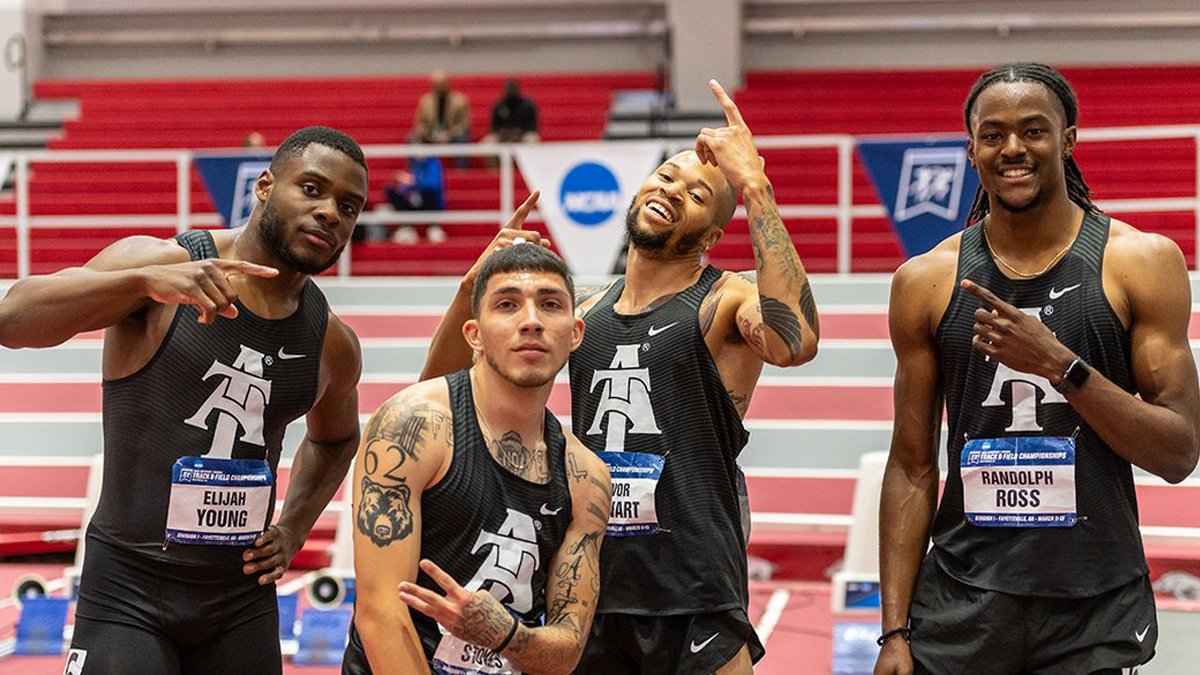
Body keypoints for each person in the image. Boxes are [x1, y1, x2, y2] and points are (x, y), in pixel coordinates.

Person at [421, 80, 821, 674]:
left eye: (697, 194)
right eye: (665, 177)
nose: (672, 191)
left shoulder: (725, 299)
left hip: (696, 593)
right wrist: (469, 293)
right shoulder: (581, 311)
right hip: (589, 593)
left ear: (711, 235)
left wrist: (755, 186)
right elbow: (440, 395)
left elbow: (796, 343)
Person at [0, 126, 369, 674]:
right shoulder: (159, 263)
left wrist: (293, 528)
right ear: (265, 185)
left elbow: (337, 439)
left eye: (348, 205)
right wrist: (144, 283)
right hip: (127, 593)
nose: (329, 213)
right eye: (311, 189)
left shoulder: (330, 341)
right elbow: (14, 319)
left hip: (240, 599)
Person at [875, 62, 1200, 675]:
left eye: (1034, 131)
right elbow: (911, 465)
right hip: (962, 601)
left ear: (1068, 139)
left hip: (1094, 604)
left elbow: (1178, 452)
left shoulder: (1141, 263)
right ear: (971, 149)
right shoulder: (925, 280)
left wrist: (1059, 365)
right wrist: (893, 630)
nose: (1013, 149)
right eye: (993, 135)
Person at [344, 242, 611, 674]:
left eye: (550, 305)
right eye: (507, 305)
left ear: (575, 333)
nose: (531, 322)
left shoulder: (586, 478)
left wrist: (505, 634)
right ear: (475, 335)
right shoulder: (412, 426)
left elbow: (566, 651)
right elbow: (380, 614)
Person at [413, 69, 472, 170]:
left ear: (447, 84)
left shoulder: (460, 101)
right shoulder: (425, 102)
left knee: (461, 138)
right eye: (436, 85)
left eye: (441, 84)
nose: (439, 88)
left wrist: (448, 135)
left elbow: (464, 125)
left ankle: (462, 170)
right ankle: (415, 172)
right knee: (413, 139)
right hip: (431, 135)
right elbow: (419, 125)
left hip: (452, 135)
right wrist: (428, 134)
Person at [482, 79, 540, 145]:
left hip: (523, 136)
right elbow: (493, 127)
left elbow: (533, 127)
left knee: (532, 139)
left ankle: (529, 155)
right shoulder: (499, 106)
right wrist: (502, 132)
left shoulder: (528, 105)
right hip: (503, 137)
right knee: (488, 142)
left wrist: (520, 132)